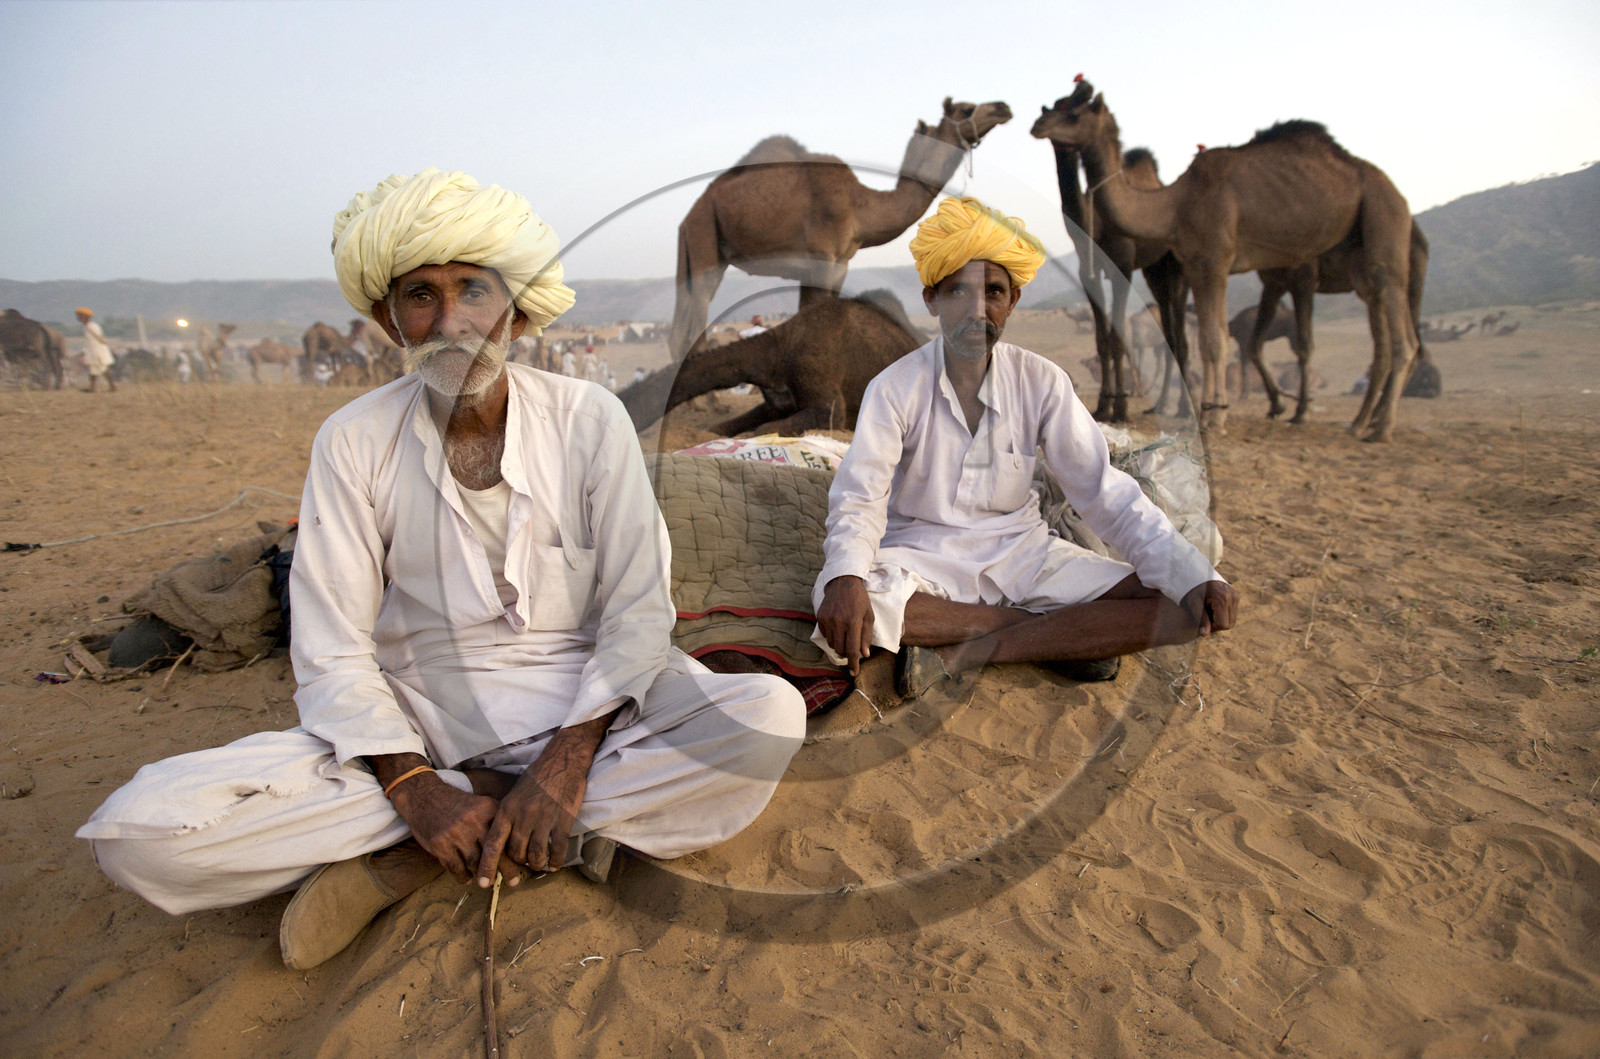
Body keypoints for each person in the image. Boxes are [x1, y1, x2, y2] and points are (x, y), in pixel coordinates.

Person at [78, 169, 806, 971]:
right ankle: (504, 816)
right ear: (390, 320)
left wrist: (567, 759)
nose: (451, 321)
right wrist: (414, 786)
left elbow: (638, 609)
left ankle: (420, 852)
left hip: (589, 711)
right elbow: (332, 649)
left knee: (770, 719)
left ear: (515, 313)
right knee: (141, 835)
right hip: (420, 720)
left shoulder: (590, 420)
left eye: (474, 291)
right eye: (421, 295)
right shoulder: (353, 441)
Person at [813, 197, 1237, 701]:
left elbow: (1103, 492)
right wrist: (845, 576)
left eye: (993, 292)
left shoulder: (1042, 382)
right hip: (922, 556)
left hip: (1025, 553)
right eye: (958, 291)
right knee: (845, 596)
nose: (977, 310)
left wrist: (1194, 575)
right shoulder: (894, 388)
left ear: (1012, 301)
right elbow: (859, 497)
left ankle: (962, 652)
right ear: (932, 299)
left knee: (1182, 603)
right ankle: (1044, 634)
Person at [75, 307, 116, 392]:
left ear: (84, 316)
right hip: (93, 352)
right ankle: (95, 388)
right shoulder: (88, 326)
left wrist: (93, 352)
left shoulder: (92, 326)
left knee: (101, 369)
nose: (77, 317)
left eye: (79, 316)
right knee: (96, 370)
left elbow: (97, 341)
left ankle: (109, 387)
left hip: (97, 352)